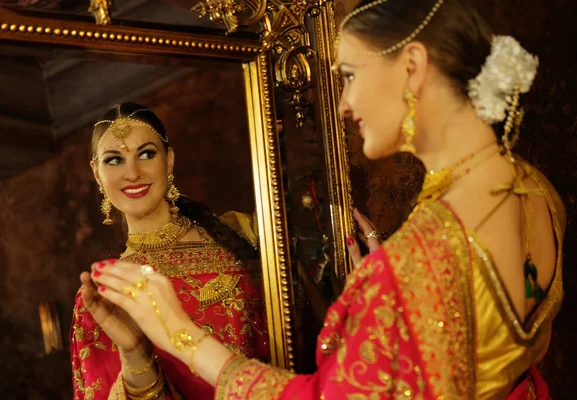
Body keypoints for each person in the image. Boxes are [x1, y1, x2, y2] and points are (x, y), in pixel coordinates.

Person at [88, 0, 565, 398]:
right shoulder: (529, 187)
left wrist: (178, 332)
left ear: (413, 66)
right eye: (113, 159)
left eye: (352, 75)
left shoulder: (428, 247)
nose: (343, 103)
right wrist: (385, 294)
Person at [70, 103, 269, 400]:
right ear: (97, 174)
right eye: (114, 160)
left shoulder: (245, 230)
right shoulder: (105, 294)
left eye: (146, 154)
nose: (132, 173)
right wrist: (137, 356)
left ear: (170, 160)